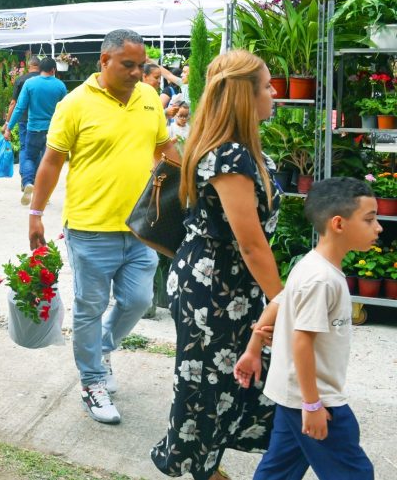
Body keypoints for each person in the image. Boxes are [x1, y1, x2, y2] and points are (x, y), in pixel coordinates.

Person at [28, 29, 178, 425]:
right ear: (104, 61)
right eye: (127, 65)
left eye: (140, 65)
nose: (135, 72)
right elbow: (51, 162)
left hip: (142, 226)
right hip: (91, 228)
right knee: (89, 308)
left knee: (139, 301)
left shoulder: (149, 98)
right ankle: (92, 381)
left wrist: (184, 189)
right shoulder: (74, 103)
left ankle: (102, 349)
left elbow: (165, 148)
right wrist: (35, 214)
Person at [151, 50, 282, 479]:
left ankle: (202, 462)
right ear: (244, 95)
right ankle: (193, 464)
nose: (274, 91)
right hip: (216, 286)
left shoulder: (234, 150)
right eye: (266, 85)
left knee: (221, 378)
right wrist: (283, 299)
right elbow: (250, 244)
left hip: (224, 284)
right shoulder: (229, 157)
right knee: (209, 382)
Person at [235, 178, 377, 480]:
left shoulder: (311, 266)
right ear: (338, 224)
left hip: (294, 395)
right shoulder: (321, 280)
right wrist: (312, 404)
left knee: (278, 471)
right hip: (316, 398)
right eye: (369, 219)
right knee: (355, 474)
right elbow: (302, 342)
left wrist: (253, 348)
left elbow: (279, 302)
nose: (377, 227)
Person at [4, 57, 67, 206]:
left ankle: (27, 183)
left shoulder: (30, 84)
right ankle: (45, 194)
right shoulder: (60, 86)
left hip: (33, 129)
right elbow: (66, 110)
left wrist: (9, 127)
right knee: (47, 162)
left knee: (29, 157)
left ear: (40, 69)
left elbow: (19, 108)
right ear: (53, 70)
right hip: (52, 131)